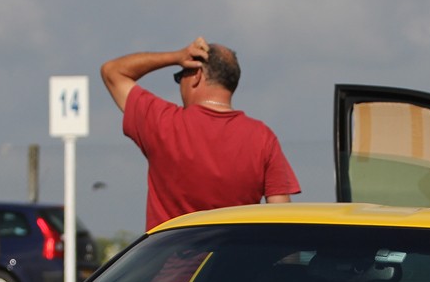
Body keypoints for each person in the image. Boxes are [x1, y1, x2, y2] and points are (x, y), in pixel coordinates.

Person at [101, 36, 300, 231]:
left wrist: (176, 57)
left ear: (197, 75)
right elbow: (281, 217)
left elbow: (112, 72)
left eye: (180, 76)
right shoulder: (263, 138)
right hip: (234, 253)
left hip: (172, 253)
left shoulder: (164, 122)